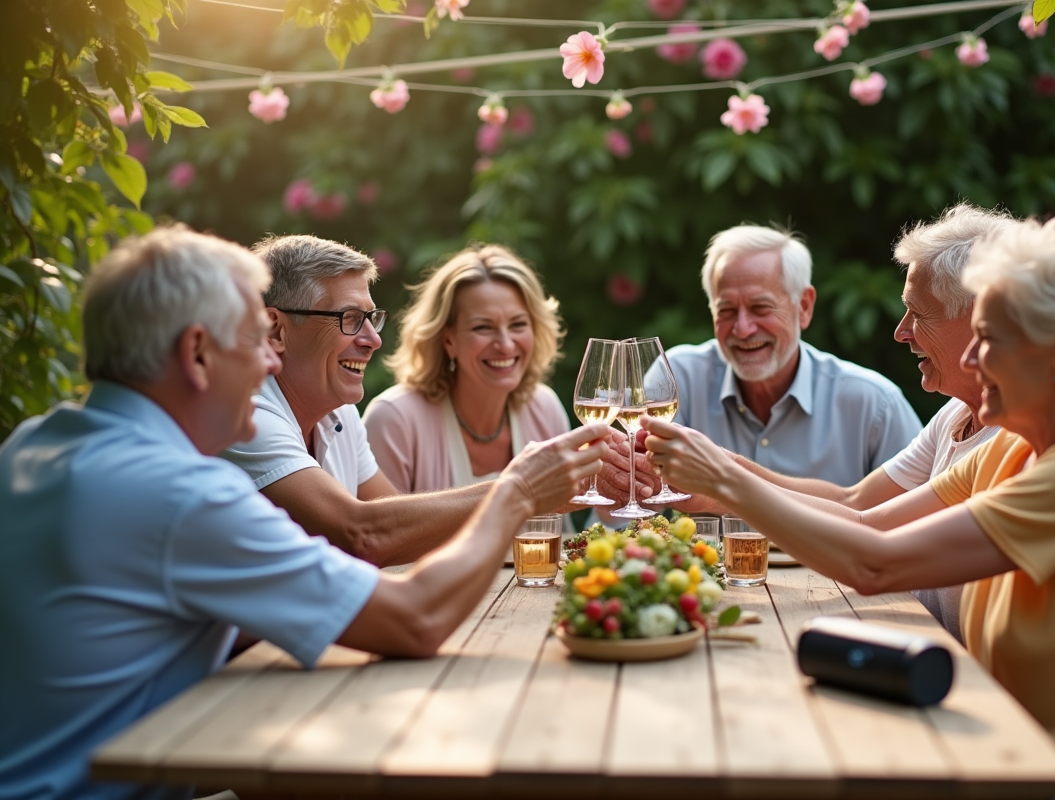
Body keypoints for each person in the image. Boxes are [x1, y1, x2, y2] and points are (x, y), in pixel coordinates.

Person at [0, 227, 609, 800]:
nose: (268, 365)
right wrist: (518, 491)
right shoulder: (182, 494)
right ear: (196, 353)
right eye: (252, 340)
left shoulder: (33, 444)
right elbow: (415, 618)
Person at [643, 216, 1055, 797]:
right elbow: (861, 521)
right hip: (1018, 755)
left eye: (992, 339)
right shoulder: (1014, 446)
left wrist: (725, 483)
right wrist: (717, 478)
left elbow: (877, 565)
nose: (974, 360)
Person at [648, 204, 1015, 637]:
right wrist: (716, 486)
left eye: (919, 313)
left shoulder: (1018, 441)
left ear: (979, 319)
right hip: (927, 648)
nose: (901, 331)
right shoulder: (955, 417)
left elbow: (873, 553)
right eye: (727, 310)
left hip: (968, 674)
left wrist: (721, 479)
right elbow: (856, 505)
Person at [222, 235, 503, 566]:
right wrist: (520, 489)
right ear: (275, 331)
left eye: (372, 318)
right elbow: (364, 536)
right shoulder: (245, 416)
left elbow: (404, 529)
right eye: (350, 318)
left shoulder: (341, 412)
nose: (374, 340)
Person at [662, 224, 922, 487]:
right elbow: (634, 499)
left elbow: (919, 520)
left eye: (760, 308)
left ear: (805, 307)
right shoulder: (678, 379)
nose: (742, 329)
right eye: (726, 310)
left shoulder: (873, 405)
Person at [362, 243, 570, 492]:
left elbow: (568, 526)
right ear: (448, 340)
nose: (505, 345)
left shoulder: (544, 408)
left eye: (518, 324)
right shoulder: (394, 420)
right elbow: (380, 529)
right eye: (483, 327)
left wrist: (611, 503)